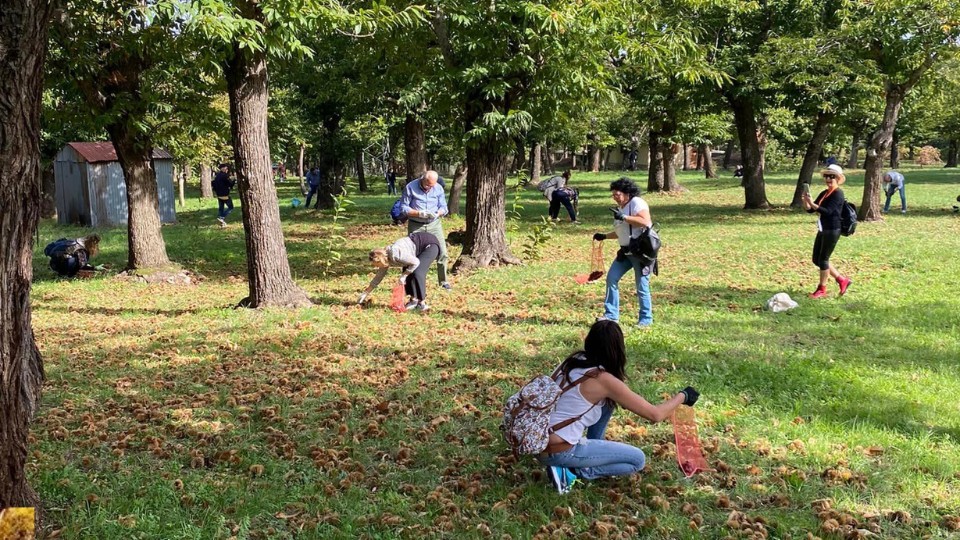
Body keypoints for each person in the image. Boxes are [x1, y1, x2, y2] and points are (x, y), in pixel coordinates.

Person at [537, 320, 699, 494]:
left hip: (539, 440)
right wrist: (684, 396)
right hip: (559, 451)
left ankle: (584, 455)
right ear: (617, 349)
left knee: (607, 404)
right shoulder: (604, 380)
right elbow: (655, 414)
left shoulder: (574, 361)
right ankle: (575, 470)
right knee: (637, 460)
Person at [592, 177, 655, 328]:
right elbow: (622, 231)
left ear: (627, 193)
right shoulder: (622, 207)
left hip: (640, 253)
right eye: (613, 195)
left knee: (641, 285)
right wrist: (605, 236)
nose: (615, 197)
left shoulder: (636, 202)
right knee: (611, 278)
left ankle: (646, 320)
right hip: (625, 253)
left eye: (617, 194)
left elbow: (645, 221)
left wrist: (624, 217)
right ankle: (611, 315)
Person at [801, 163, 852, 298]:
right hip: (823, 228)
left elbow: (828, 211)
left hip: (833, 229)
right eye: (826, 176)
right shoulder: (825, 193)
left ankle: (821, 289)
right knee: (816, 259)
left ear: (838, 179)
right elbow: (811, 210)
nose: (828, 179)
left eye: (832, 176)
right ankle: (842, 280)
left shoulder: (838, 193)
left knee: (823, 259)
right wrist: (806, 201)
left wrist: (813, 204)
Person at [358, 231, 442, 311]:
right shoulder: (385, 260)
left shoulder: (396, 254)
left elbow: (416, 262)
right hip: (416, 248)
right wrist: (366, 293)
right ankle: (414, 300)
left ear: (380, 260)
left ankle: (421, 303)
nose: (376, 267)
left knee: (417, 271)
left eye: (376, 265)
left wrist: (404, 275)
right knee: (408, 269)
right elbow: (379, 277)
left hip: (429, 244)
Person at [401, 170, 451, 289]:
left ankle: (443, 282)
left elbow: (444, 207)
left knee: (443, 253)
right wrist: (419, 213)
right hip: (416, 224)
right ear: (422, 179)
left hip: (434, 224)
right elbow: (403, 207)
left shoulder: (438, 188)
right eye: (427, 184)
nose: (429, 187)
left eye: (432, 185)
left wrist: (438, 213)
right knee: (412, 254)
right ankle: (412, 282)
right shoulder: (410, 187)